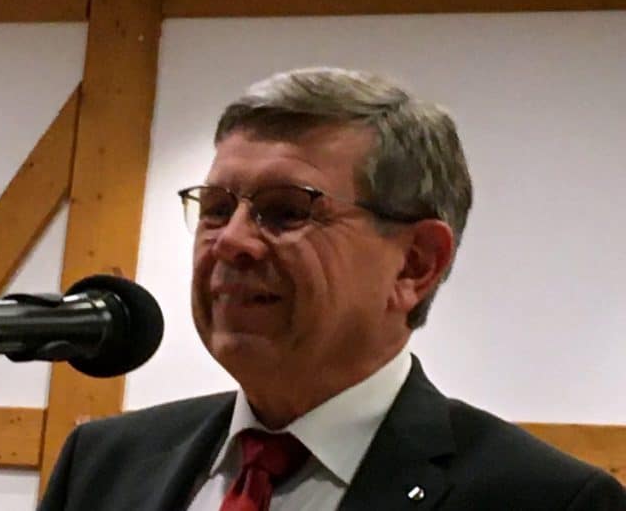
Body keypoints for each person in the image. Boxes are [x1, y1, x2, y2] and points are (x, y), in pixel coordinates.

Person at [39, 68, 625, 510]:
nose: (231, 241)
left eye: (286, 211)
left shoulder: (547, 501)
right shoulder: (104, 465)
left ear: (415, 265)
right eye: (216, 208)